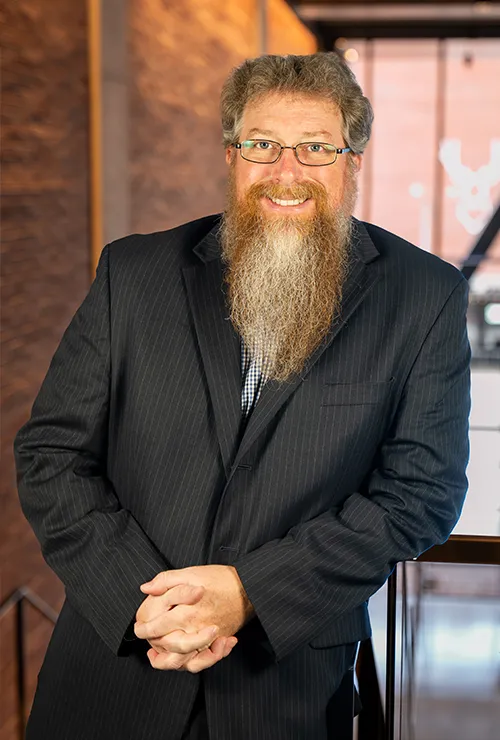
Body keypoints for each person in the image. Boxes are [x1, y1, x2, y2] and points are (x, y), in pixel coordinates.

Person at [14, 52, 470, 740]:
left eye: (316, 147)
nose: (287, 171)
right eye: (262, 144)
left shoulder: (424, 296)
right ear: (231, 156)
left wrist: (251, 593)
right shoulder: (133, 273)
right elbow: (52, 454)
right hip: (113, 672)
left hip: (283, 689)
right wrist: (147, 605)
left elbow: (421, 494)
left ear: (352, 162)